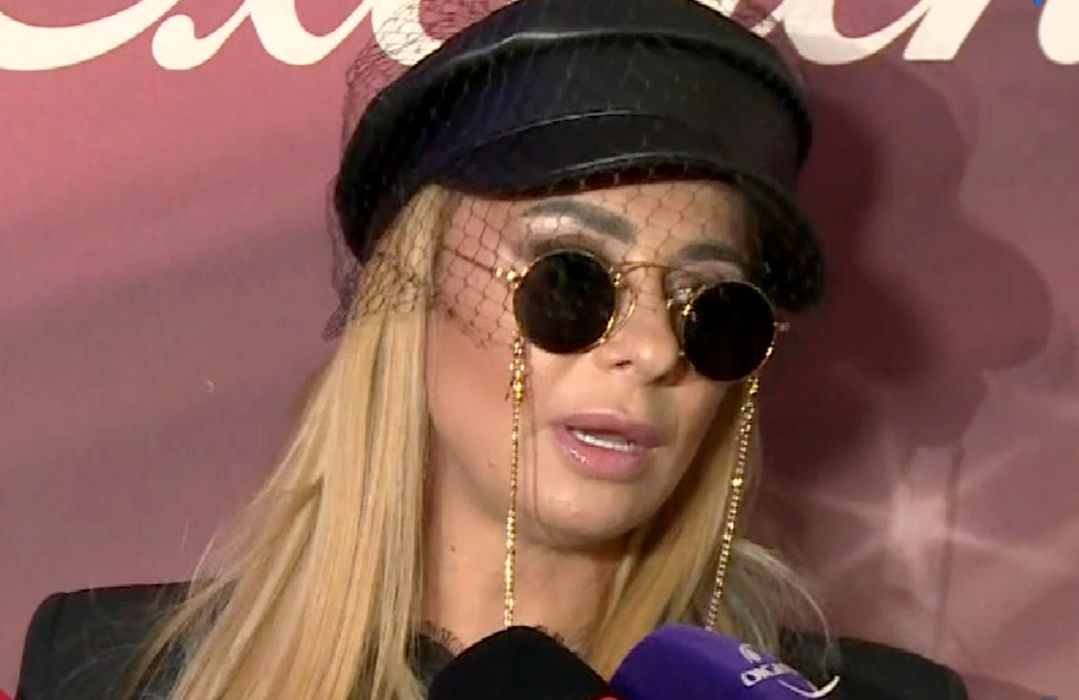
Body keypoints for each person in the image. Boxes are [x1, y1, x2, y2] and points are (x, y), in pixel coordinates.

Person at [15, 0, 969, 698]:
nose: (649, 350)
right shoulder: (115, 673)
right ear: (411, 291)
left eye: (710, 308)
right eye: (570, 279)